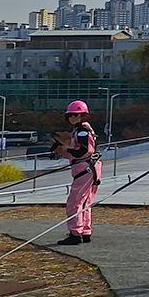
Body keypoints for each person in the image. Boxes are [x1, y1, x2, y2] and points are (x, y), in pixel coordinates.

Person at [53, 100, 102, 246]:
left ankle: (75, 233)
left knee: (74, 202)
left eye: (76, 115)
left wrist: (65, 150)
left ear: (83, 115)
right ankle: (85, 231)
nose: (72, 118)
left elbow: (83, 151)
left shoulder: (81, 131)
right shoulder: (85, 130)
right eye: (70, 115)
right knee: (86, 201)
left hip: (84, 169)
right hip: (91, 168)